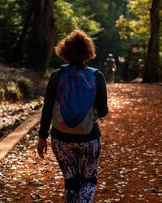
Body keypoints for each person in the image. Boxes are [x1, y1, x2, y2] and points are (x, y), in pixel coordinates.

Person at [37, 30, 108, 203]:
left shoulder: (57, 75)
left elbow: (47, 109)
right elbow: (104, 110)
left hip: (60, 139)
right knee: (88, 180)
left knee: (71, 181)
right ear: (88, 52)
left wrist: (42, 137)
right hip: (89, 137)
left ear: (64, 51)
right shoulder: (97, 76)